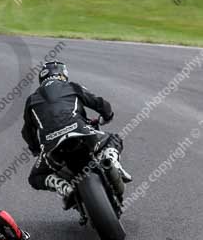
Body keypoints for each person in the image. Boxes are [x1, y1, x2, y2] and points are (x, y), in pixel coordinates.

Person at [22, 61, 131, 206]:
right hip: (82, 133)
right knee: (113, 138)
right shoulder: (72, 86)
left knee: (35, 177)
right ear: (63, 74)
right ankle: (112, 162)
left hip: (52, 147)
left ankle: (63, 186)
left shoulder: (31, 100)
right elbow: (100, 103)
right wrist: (107, 116)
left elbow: (27, 132)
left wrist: (36, 149)